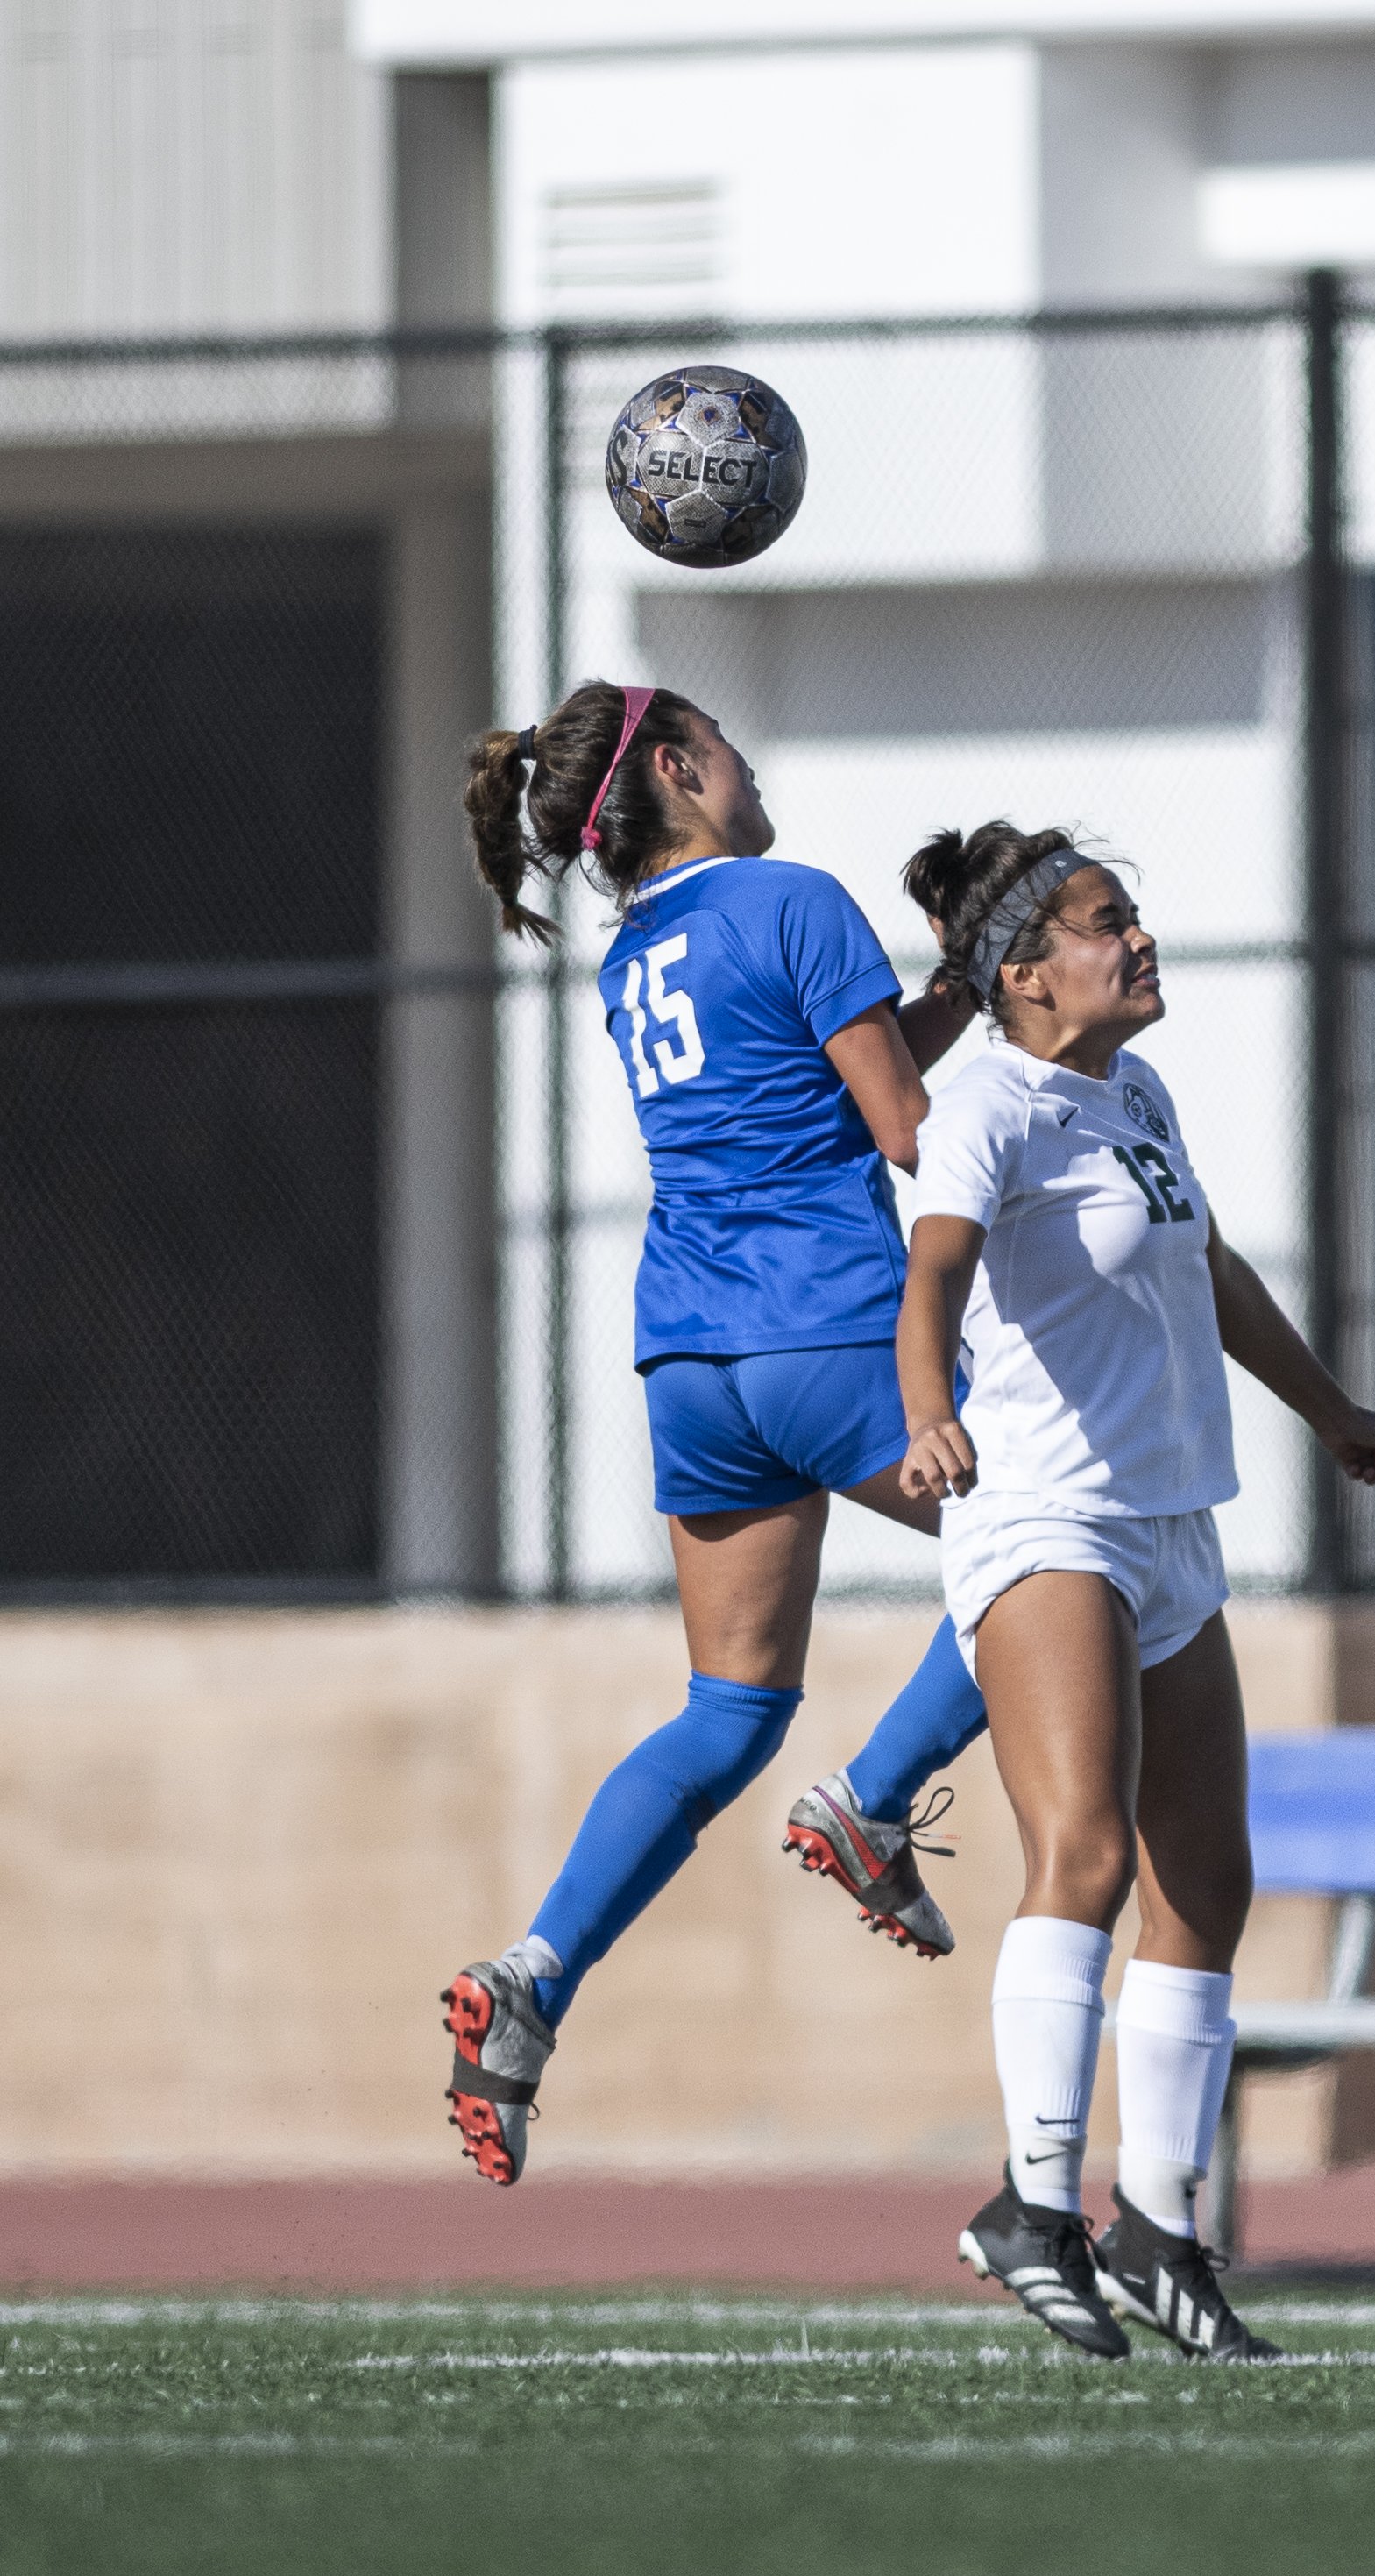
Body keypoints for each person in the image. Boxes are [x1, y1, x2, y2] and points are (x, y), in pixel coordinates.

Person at [442, 681, 989, 2185]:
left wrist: (950, 985)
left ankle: (534, 1981)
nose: (751, 767)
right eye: (732, 743)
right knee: (1063, 1545)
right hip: (829, 1322)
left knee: (728, 1712)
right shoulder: (790, 900)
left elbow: (808, 1089)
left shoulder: (637, 950)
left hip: (695, 1355)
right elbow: (894, 1132)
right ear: (680, 768)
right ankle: (872, 1800)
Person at [896, 822, 1375, 2360]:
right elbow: (928, 1280)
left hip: (1171, 1522)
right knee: (1087, 1850)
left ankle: (1163, 2233)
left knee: (1210, 1879)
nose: (1136, 940)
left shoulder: (1136, 1094)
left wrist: (1328, 1408)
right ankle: (1031, 2207)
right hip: (1047, 1518)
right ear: (1021, 973)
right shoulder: (983, 1101)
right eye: (1103, 922)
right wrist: (930, 1412)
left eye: (1131, 916)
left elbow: (1212, 1271)